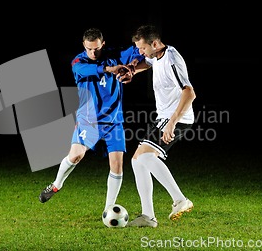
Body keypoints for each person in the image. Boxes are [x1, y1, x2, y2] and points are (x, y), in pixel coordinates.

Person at [39, 28, 142, 211]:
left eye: (96, 48)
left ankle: (108, 209)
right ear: (84, 46)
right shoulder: (79, 62)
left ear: (103, 44)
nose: (93, 53)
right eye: (89, 49)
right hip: (89, 120)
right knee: (76, 155)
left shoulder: (115, 55)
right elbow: (88, 69)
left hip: (113, 120)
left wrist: (134, 63)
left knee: (117, 165)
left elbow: (141, 52)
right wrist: (111, 69)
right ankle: (56, 185)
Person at [125, 25, 196, 228]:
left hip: (176, 118)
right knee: (137, 161)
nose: (140, 52)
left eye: (142, 48)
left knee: (146, 157)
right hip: (164, 117)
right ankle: (148, 216)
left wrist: (172, 123)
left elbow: (189, 93)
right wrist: (133, 70)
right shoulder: (157, 55)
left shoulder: (172, 59)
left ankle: (180, 200)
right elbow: (147, 62)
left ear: (154, 43)